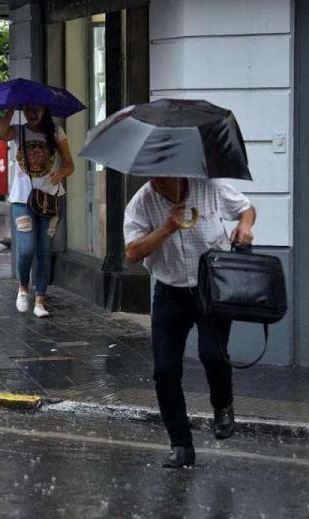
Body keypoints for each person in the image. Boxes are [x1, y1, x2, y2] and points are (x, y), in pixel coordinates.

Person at [124, 177, 256, 468]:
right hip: (169, 292)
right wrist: (167, 227)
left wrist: (245, 226)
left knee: (212, 353)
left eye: (163, 174)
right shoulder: (141, 202)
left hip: (212, 288)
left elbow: (247, 208)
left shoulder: (210, 187)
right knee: (165, 371)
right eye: (153, 175)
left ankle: (222, 404)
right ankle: (181, 444)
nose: (156, 181)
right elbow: (132, 253)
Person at [0, 105, 75, 318]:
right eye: (28, 109)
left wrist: (61, 173)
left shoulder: (56, 132)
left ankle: (40, 300)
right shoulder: (18, 131)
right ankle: (23, 287)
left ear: (45, 110)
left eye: (37, 109)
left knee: (44, 250)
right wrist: (11, 108)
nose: (32, 113)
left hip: (51, 199)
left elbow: (70, 165)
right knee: (27, 248)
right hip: (22, 200)